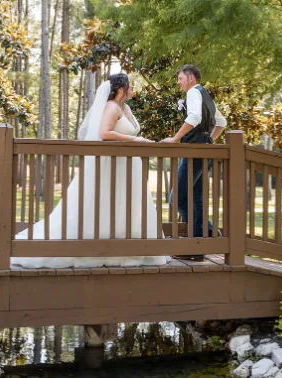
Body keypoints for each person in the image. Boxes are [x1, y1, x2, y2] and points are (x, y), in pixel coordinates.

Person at [12, 74, 167, 269]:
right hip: (114, 163)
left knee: (128, 204)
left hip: (129, 165)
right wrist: (135, 140)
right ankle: (97, 245)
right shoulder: (111, 107)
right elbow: (104, 133)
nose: (133, 89)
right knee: (107, 202)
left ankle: (128, 246)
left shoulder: (124, 108)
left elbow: (127, 129)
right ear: (121, 88)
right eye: (130, 85)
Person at [161, 64, 227, 261]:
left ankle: (207, 233)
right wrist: (210, 140)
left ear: (190, 78)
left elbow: (195, 117)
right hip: (204, 152)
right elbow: (221, 123)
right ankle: (199, 247)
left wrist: (175, 139)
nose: (179, 82)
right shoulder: (205, 95)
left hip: (193, 153)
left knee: (177, 198)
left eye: (180, 78)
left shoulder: (193, 93)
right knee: (196, 199)